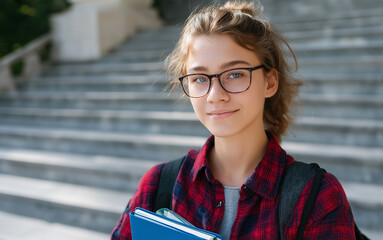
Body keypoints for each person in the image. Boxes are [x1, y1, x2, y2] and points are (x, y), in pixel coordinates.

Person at [111, 1, 356, 239]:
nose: (215, 95)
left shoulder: (316, 197)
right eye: (199, 78)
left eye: (235, 74)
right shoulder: (157, 186)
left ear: (270, 82)